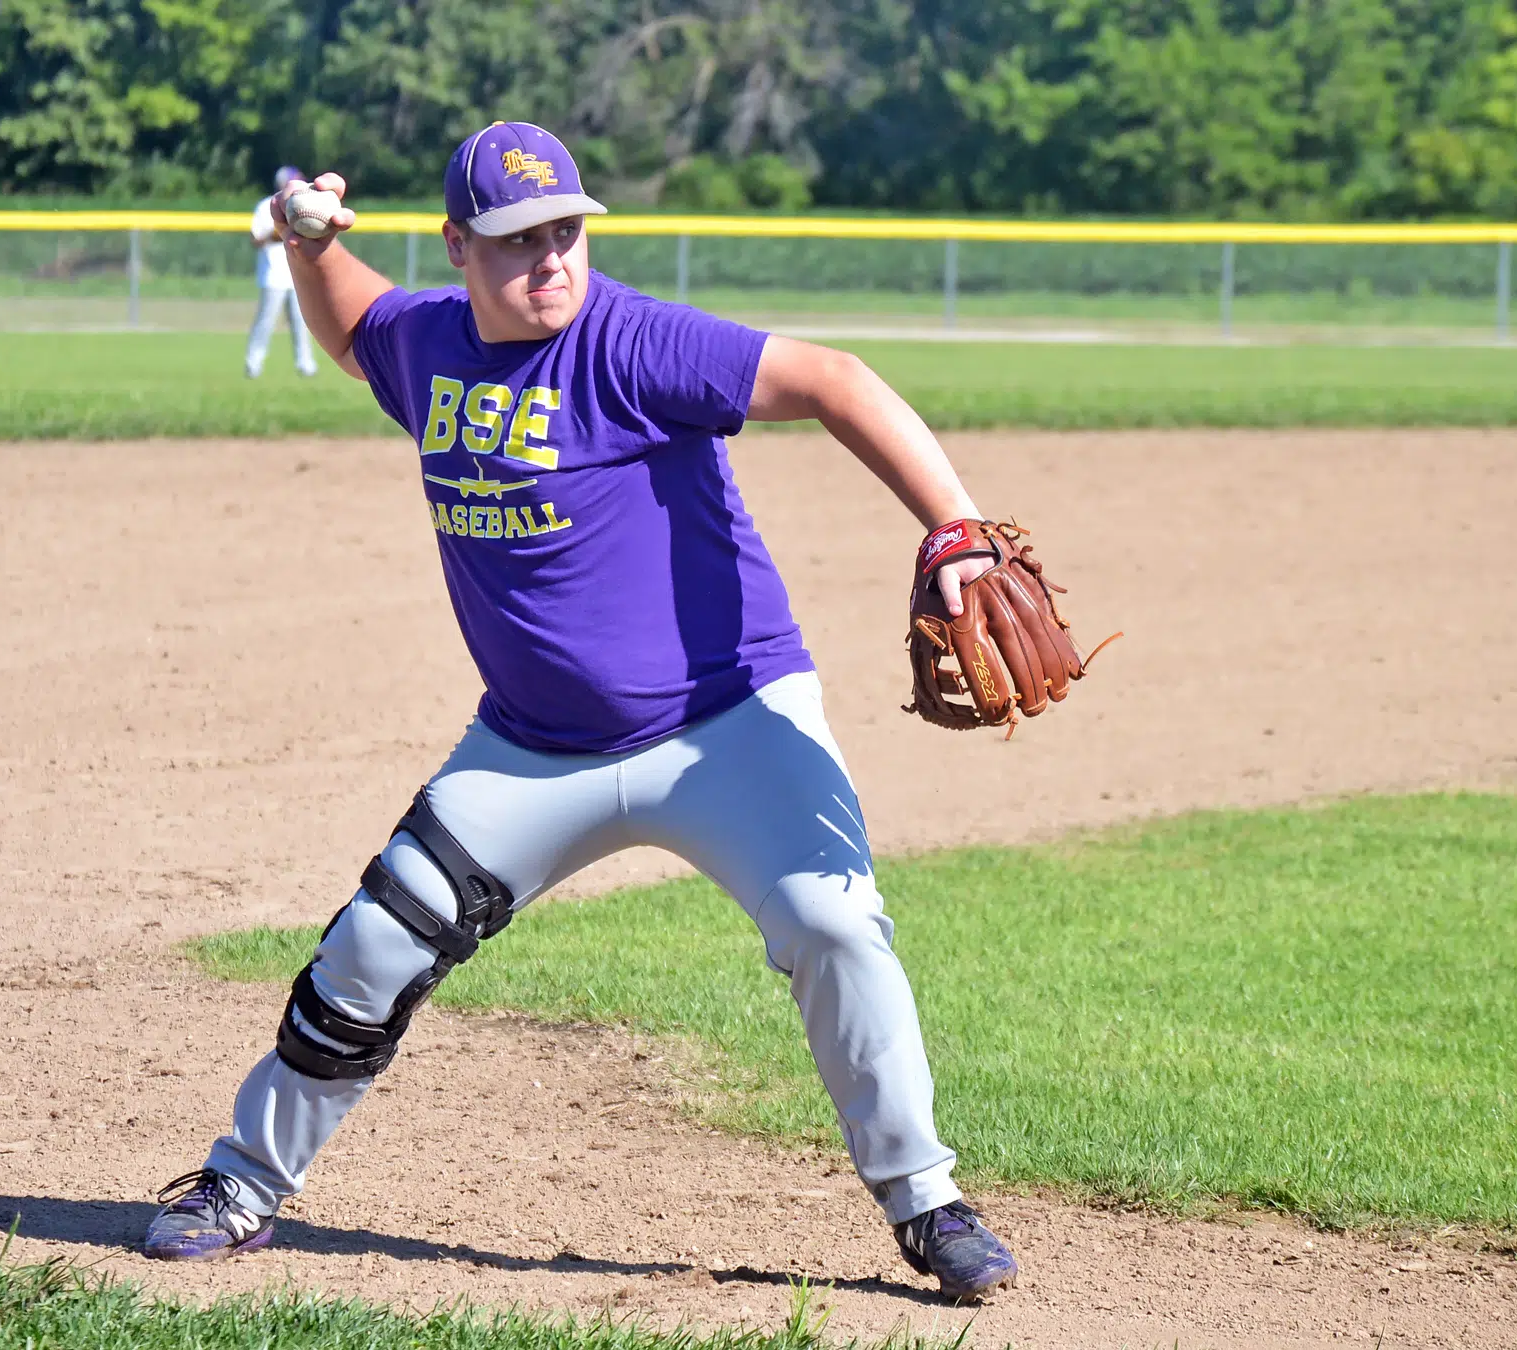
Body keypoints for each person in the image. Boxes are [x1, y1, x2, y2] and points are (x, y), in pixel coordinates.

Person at [143, 122, 1022, 1301]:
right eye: (515, 243)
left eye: (566, 232)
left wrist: (954, 527)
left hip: (731, 724)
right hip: (532, 748)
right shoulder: (426, 341)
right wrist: (311, 244)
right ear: (458, 246)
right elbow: (354, 322)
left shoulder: (632, 341)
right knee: (373, 944)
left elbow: (833, 380)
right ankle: (243, 1181)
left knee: (836, 927)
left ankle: (927, 1201)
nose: (550, 260)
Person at [245, 165, 317, 379]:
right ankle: (253, 363)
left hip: (297, 276)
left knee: (300, 321)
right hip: (273, 276)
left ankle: (306, 364)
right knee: (265, 321)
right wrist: (279, 233)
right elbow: (255, 239)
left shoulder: (303, 206)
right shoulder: (265, 206)